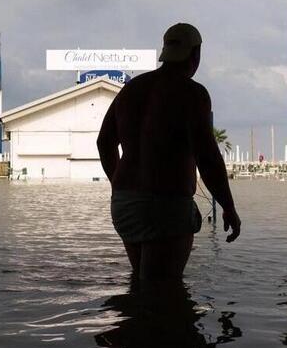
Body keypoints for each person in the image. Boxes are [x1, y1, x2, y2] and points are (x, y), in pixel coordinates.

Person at [97, 23, 241, 280]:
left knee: (142, 286)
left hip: (125, 204)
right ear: (195, 54)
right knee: (165, 295)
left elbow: (104, 142)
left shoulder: (131, 89)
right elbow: (208, 158)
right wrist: (228, 207)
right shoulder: (192, 93)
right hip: (166, 205)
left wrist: (118, 183)